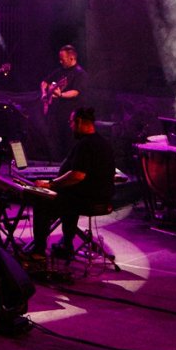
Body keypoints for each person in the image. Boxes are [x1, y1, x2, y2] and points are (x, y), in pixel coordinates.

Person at [27, 106, 116, 261]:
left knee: (42, 201)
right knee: (68, 198)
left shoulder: (85, 144)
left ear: (79, 121)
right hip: (101, 198)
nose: (70, 126)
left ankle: (39, 252)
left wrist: (51, 184)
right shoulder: (103, 143)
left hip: (86, 199)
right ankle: (66, 246)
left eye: (71, 122)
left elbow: (77, 176)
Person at [36, 44, 85, 159]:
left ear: (71, 58)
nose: (60, 61)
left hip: (69, 114)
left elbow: (76, 92)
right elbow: (44, 82)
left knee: (68, 141)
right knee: (55, 141)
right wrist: (44, 94)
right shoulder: (60, 71)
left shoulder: (80, 74)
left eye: (63, 59)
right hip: (56, 113)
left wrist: (61, 95)